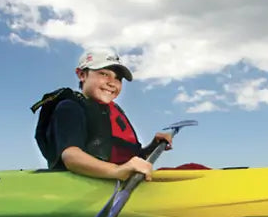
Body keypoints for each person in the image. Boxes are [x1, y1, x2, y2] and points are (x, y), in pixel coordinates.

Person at [31, 47, 173, 181]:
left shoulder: (110, 112)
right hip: (85, 187)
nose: (112, 83)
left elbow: (130, 157)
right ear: (82, 74)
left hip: (122, 183)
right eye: (104, 74)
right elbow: (71, 157)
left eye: (118, 78)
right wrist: (117, 171)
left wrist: (152, 147)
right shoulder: (70, 108)